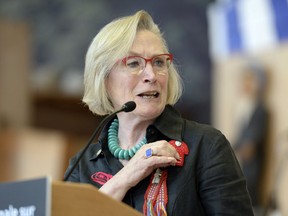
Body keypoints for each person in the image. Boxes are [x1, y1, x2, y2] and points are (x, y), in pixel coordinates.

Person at [64, 10, 253, 215]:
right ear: (104, 78)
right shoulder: (82, 166)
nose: (151, 75)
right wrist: (126, 177)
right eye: (134, 63)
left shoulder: (206, 146)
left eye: (158, 62)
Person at [232, 62, 269, 214]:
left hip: (253, 158)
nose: (246, 84)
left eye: (250, 80)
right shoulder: (243, 106)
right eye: (245, 80)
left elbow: (255, 132)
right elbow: (241, 133)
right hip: (241, 156)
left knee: (251, 186)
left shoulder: (260, 109)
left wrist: (249, 144)